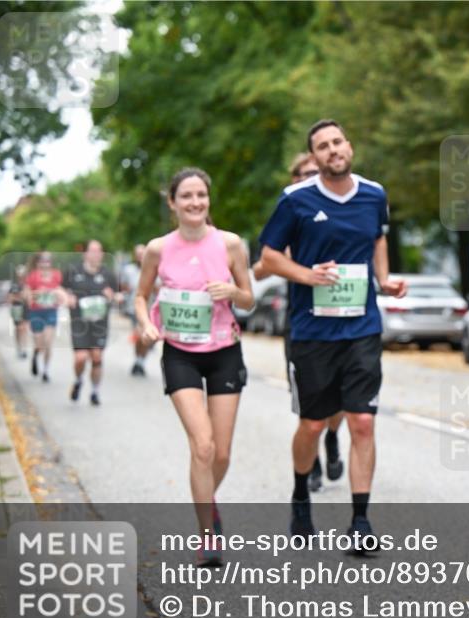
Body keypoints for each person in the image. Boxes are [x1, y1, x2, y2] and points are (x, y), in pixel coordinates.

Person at [258, 119, 406, 547]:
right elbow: (268, 257)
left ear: (349, 146)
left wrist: (385, 279)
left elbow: (378, 238)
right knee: (312, 423)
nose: (332, 150)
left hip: (361, 327)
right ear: (315, 157)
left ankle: (360, 521)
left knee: (362, 420)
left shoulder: (374, 194)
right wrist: (306, 275)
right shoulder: (295, 200)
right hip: (312, 331)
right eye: (322, 146)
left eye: (337, 142)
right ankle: (301, 493)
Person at [136, 167, 253, 567]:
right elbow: (140, 295)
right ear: (173, 202)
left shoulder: (231, 244)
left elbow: (250, 299)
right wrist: (148, 324)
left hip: (224, 350)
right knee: (201, 446)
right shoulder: (158, 248)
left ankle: (207, 501)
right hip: (180, 352)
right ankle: (207, 536)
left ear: (209, 199)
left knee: (221, 454)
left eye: (201, 195)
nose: (195, 202)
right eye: (186, 196)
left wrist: (233, 291)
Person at [253, 151, 345, 493]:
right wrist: (286, 260)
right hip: (302, 322)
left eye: (314, 173)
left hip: (341, 319)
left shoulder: (339, 209)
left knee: (342, 396)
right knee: (308, 399)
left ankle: (334, 437)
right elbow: (260, 266)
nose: (309, 178)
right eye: (303, 174)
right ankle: (315, 462)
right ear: (294, 180)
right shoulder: (289, 213)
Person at [63, 240, 117, 406]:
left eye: (99, 251)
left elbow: (118, 295)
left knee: (96, 356)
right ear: (85, 253)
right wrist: (67, 297)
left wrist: (112, 296)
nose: (96, 254)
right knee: (80, 358)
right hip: (79, 322)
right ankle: (79, 380)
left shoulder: (108, 274)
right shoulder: (73, 271)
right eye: (93, 251)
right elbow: (60, 289)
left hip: (99, 323)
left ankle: (95, 391)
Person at [23, 251, 66, 382]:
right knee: (39, 343)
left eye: (48, 260)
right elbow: (27, 293)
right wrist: (33, 296)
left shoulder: (56, 275)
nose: (45, 263)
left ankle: (45, 370)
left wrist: (58, 295)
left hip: (51, 311)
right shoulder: (33, 276)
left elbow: (60, 291)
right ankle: (36, 355)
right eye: (43, 260)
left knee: (48, 342)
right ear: (38, 262)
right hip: (36, 312)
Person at [121, 244, 158, 376]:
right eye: (138, 254)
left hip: (150, 308)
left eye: (143, 254)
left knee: (145, 337)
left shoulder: (155, 269)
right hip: (133, 308)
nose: (140, 257)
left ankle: (140, 361)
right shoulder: (129, 270)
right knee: (139, 334)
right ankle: (138, 360)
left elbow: (159, 290)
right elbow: (124, 286)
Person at [7, 265, 30, 359]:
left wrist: (19, 297)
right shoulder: (14, 286)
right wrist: (20, 297)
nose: (21, 276)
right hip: (16, 309)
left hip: (26, 309)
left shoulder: (27, 285)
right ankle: (19, 347)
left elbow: (27, 298)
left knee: (24, 329)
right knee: (19, 329)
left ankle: (24, 348)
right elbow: (10, 298)